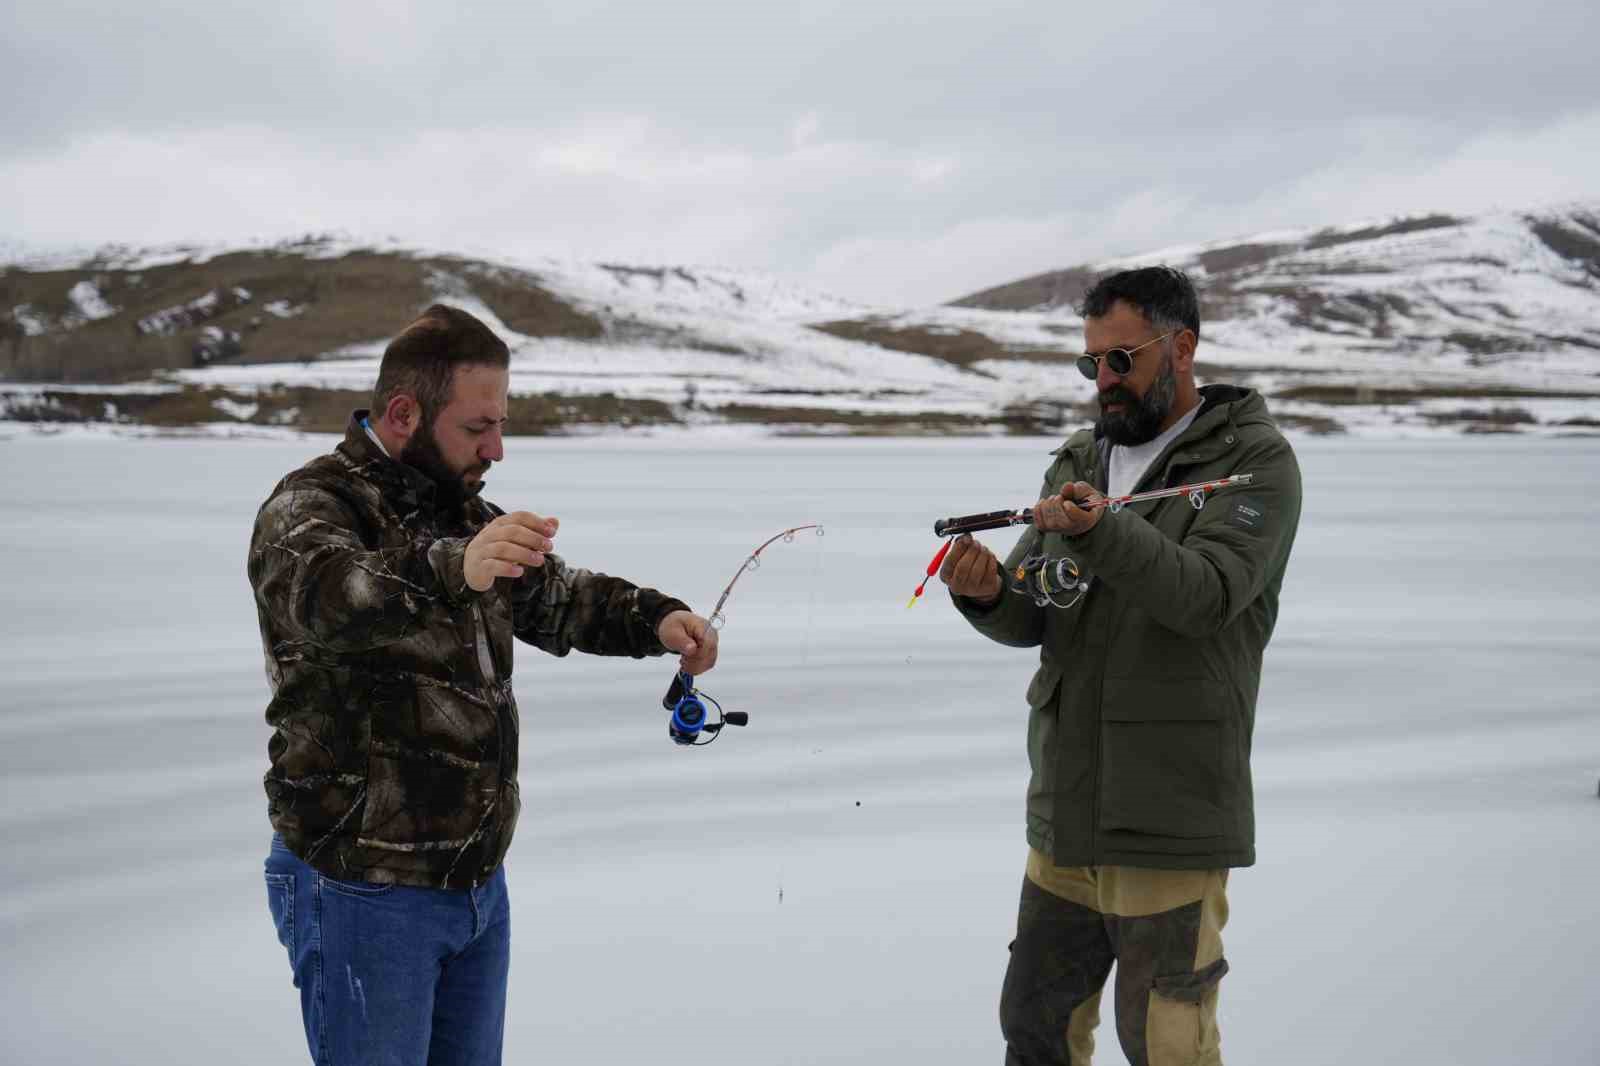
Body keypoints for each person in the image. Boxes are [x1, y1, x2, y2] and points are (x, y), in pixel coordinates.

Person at [248, 304, 718, 1066]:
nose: (496, 448)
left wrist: (657, 619)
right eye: (477, 428)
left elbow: (561, 598)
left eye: (500, 426)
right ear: (404, 413)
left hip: (474, 887)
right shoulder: (309, 508)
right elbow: (333, 596)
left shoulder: (465, 513)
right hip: (360, 887)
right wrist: (453, 567)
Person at [939, 267, 1302, 1066]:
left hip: (1170, 820)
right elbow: (1035, 609)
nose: (1103, 380)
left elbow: (1207, 595)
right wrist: (988, 592)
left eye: (1121, 360)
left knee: (1166, 1044)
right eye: (1090, 362)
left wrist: (1100, 531)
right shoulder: (1082, 455)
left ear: (1183, 347)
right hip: (1065, 817)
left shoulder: (1257, 463)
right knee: (1036, 1031)